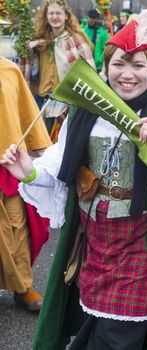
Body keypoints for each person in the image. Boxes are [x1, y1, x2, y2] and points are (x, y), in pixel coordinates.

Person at [1, 10, 147, 350]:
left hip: (144, 247)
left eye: (138, 66)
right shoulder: (87, 110)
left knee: (118, 335)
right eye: (119, 64)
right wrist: (27, 170)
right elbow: (59, 166)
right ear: (106, 67)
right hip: (95, 242)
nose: (127, 75)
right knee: (97, 321)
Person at [0, 57, 52, 311]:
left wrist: (40, 150)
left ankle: (23, 287)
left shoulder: (9, 69)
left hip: (6, 163)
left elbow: (25, 110)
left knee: (16, 225)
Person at [28, 0, 95, 142]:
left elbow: (90, 72)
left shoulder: (76, 40)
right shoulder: (39, 41)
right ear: (46, 16)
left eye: (58, 13)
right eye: (51, 13)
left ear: (66, 16)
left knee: (61, 145)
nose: (54, 16)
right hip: (42, 99)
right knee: (40, 145)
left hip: (65, 102)